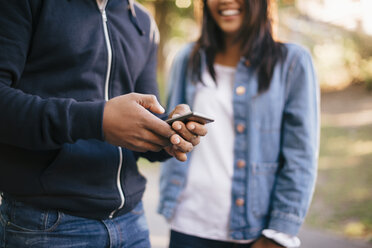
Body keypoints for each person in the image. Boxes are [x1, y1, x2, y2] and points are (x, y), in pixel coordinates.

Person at [0, 0, 207, 247]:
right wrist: (97, 120)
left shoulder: (142, 21)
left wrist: (170, 133)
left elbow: (147, 118)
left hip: (133, 223)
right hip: (48, 225)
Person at [158, 0, 320, 247]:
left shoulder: (293, 62)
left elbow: (301, 155)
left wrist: (279, 233)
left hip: (253, 232)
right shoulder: (188, 58)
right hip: (187, 224)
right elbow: (171, 137)